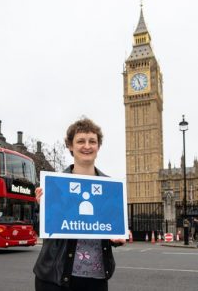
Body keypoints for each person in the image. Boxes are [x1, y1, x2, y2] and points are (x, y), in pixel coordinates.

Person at [33, 118, 126, 291]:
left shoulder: (111, 187)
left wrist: (119, 235)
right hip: (55, 278)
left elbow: (111, 226)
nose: (87, 146)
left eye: (92, 141)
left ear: (98, 146)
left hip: (95, 279)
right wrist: (43, 208)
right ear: (70, 146)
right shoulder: (55, 185)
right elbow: (46, 231)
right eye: (80, 141)